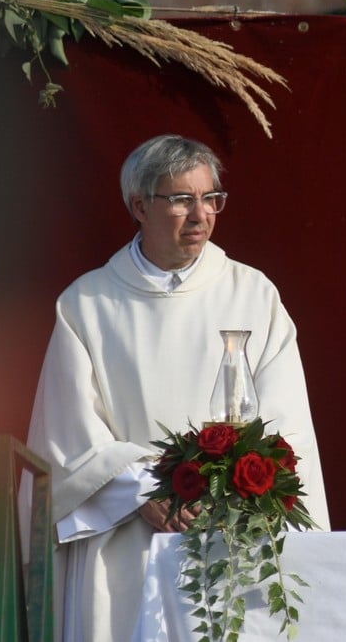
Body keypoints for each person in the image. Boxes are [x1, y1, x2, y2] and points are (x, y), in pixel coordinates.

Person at [25, 134, 330, 642]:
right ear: (140, 205)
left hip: (234, 535)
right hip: (125, 538)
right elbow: (68, 436)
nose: (201, 215)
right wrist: (149, 490)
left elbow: (285, 421)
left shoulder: (253, 294)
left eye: (211, 199)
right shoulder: (88, 304)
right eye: (182, 199)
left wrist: (225, 486)